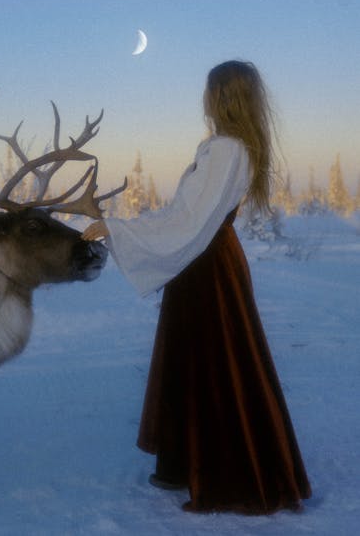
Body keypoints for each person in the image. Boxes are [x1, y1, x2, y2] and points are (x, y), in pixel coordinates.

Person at [82, 61, 311, 515]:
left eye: (210, 92)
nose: (203, 99)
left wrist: (115, 228)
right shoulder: (229, 148)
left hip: (207, 267)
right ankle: (192, 462)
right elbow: (186, 218)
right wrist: (121, 227)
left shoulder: (226, 150)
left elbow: (188, 222)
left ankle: (230, 474)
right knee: (202, 362)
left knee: (216, 365)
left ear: (221, 97)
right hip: (205, 262)